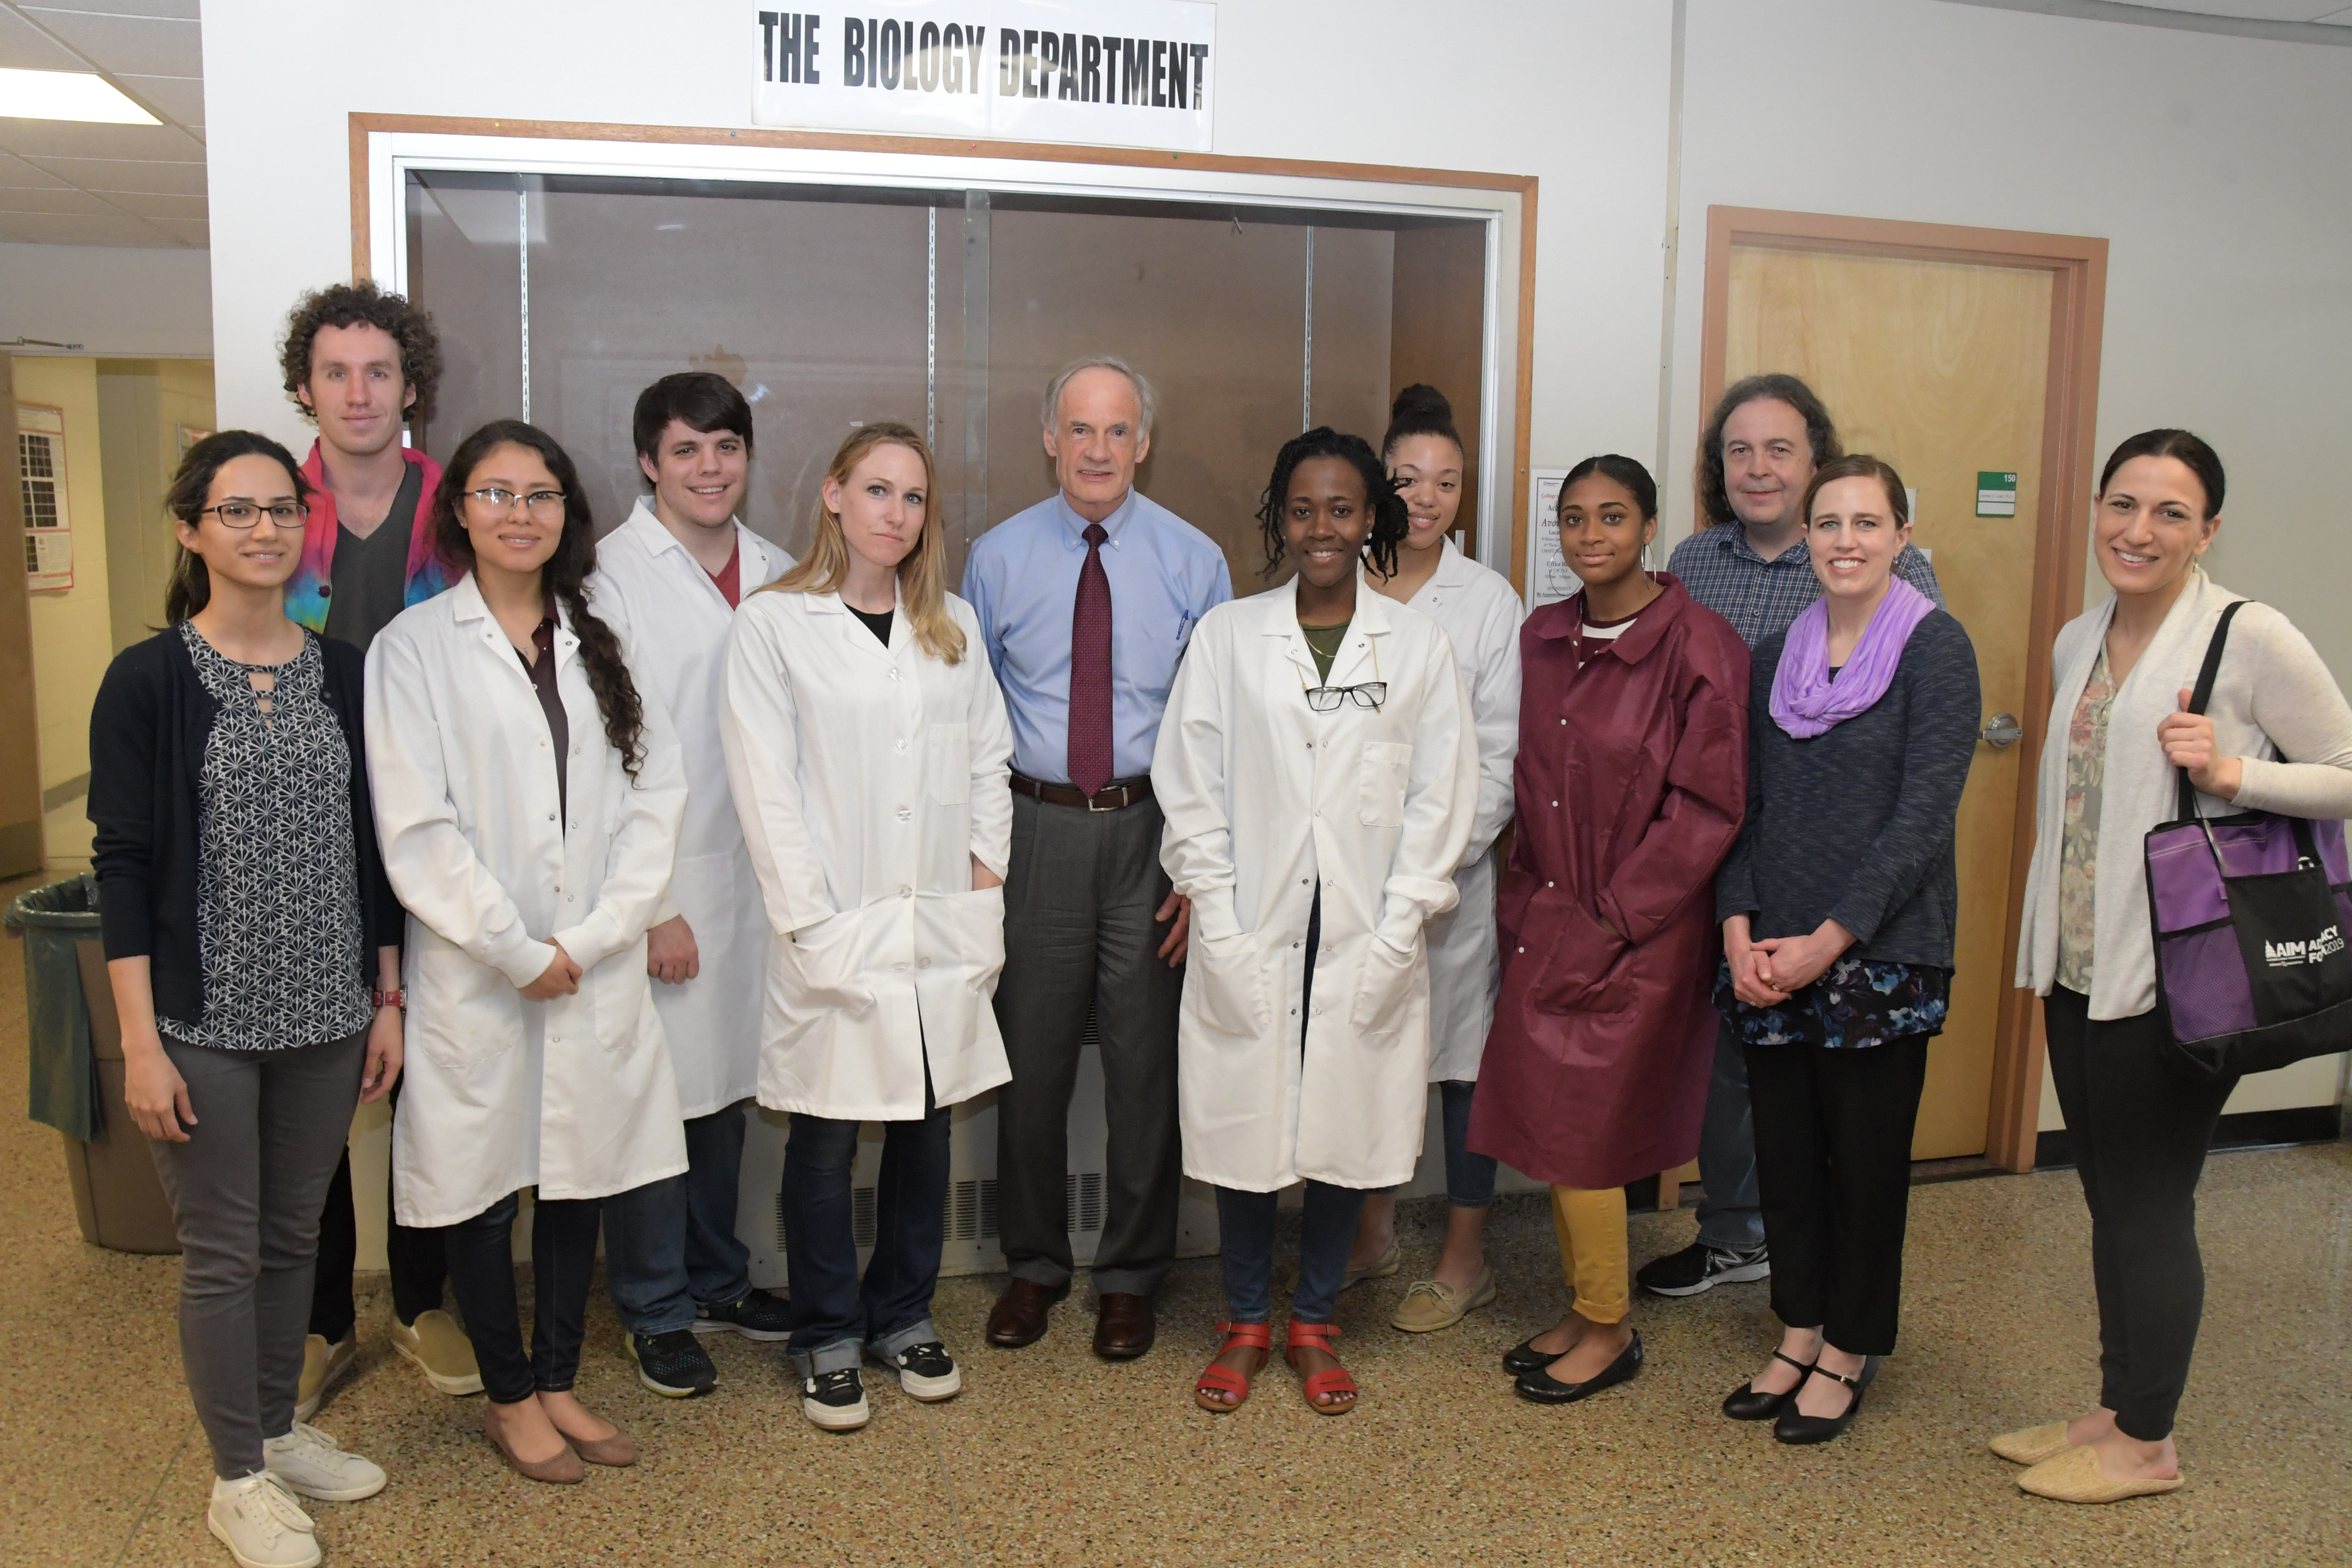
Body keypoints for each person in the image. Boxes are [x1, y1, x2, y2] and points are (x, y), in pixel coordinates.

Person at [1998, 430, 2352, 1503]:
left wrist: (2237, 770)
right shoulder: (2078, 638)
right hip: (2075, 963)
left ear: (2207, 530)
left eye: (2168, 512)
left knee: (2150, 1202)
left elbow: (2346, 773)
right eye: (2122, 504)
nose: (2137, 531)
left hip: (2175, 977)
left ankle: (2149, 1442)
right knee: (2111, 1197)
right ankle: (2116, 1408)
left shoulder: (2249, 636)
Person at [90, 430, 397, 1568]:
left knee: (290, 1237)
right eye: (237, 512)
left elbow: (376, 849)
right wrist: (141, 1043)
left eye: (281, 510)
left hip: (327, 1014)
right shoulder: (151, 678)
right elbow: (124, 863)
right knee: (222, 1250)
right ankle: (235, 1481)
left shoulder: (345, 670)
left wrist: (387, 995)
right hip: (200, 1022)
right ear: (191, 530)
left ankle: (274, 1427)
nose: (264, 530)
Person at [366, 420, 689, 1483]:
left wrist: (591, 941)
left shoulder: (604, 638)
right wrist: (517, 950)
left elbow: (657, 802)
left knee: (576, 1176)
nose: (519, 513)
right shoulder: (412, 650)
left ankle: (557, 1379)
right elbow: (418, 830)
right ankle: (510, 1397)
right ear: (457, 508)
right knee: (479, 1186)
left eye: (540, 494)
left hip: (589, 965)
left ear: (566, 514)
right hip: (481, 973)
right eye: (496, 494)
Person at [1157, 427, 1478, 1415]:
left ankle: (1316, 1321)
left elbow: (1442, 795)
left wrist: (1399, 921)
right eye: (1304, 509)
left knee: (1346, 1118)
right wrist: (1215, 907)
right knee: (1250, 1120)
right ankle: (1248, 1318)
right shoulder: (1228, 637)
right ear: (1279, 520)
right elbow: (1191, 782)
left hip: (1365, 929)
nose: (1323, 528)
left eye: (1343, 509)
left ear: (1372, 516)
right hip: (1251, 920)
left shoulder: (1416, 644)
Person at [721, 421, 1015, 1432]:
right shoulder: (774, 625)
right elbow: (767, 791)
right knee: (825, 1136)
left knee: (926, 1130)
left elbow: (989, 766)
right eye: (878, 491)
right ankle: (825, 1331)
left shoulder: (954, 627)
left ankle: (903, 1314)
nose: (897, 513)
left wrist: (981, 894)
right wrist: (814, 926)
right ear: (835, 495)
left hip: (938, 924)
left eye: (915, 497)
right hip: (833, 926)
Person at [1646, 373, 1946, 1301]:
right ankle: (1741, 1236)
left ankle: (1827, 1283)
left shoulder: (1912, 593)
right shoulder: (1695, 564)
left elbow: (1922, 766)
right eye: (1739, 450)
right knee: (1736, 1063)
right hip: (1733, 855)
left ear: (1817, 465)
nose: (1758, 468)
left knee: (1843, 1100)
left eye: (1780, 449)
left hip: (1858, 886)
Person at [961, 356, 1232, 1360]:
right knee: (1027, 1063)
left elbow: (1214, 730)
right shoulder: (993, 559)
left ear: (1144, 443)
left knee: (1142, 1065)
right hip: (1035, 832)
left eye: (1118, 432)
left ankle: (1131, 1276)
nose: (1098, 451)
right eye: (1080, 430)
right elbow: (970, 716)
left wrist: (1202, 870)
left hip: (1151, 832)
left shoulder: (1194, 560)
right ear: (1049, 438)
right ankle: (1032, 1266)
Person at [1470, 456, 1749, 1405]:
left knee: (1585, 1133)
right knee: (1552, 1129)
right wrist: (1529, 906)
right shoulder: (1544, 636)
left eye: (1614, 518)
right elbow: (1520, 779)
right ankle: (1586, 1310)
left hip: (1641, 928)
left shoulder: (1699, 644)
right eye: (1576, 520)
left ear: (1650, 526)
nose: (1593, 537)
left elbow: (1707, 807)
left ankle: (1614, 1330)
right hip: (1548, 916)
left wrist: (1616, 917)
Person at [1712, 454, 1979, 1446]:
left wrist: (1830, 943)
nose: (1847, 541)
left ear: (1903, 536)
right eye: (1829, 523)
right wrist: (1738, 932)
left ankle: (1851, 1347)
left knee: (1862, 1165)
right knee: (1784, 1162)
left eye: (1869, 523)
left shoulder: (1936, 649)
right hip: (1772, 959)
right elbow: (1745, 806)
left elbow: (1921, 819)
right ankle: (1799, 1329)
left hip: (1880, 954)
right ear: (1809, 538)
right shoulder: (1775, 649)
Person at [275, 279, 473, 1412]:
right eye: (336, 372)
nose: (359, 392)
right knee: (311, 1073)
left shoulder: (460, 507)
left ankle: (423, 1296)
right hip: (300, 832)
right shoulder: (262, 500)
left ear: (411, 387)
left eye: (380, 372)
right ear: (307, 386)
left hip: (433, 822)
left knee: (428, 1069)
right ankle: (316, 1316)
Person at [586, 372, 797, 1400]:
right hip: (668, 883)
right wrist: (654, 899)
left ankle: (717, 1279)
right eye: (685, 452)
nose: (709, 469)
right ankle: (655, 1305)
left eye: (726, 447)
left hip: (760, 885)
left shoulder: (782, 569)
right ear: (647, 463)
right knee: (659, 1101)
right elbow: (611, 747)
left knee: (726, 1100)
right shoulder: (611, 576)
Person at [1345, 385, 1523, 1332]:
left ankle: (1464, 1256)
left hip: (1448, 881)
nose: (1424, 496)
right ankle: (1372, 1230)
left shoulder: (1488, 601)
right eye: (1406, 478)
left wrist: (1433, 865)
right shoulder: (1341, 581)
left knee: (1460, 1064)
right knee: (1368, 1049)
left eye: (1445, 482)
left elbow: (1498, 757)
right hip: (1344, 875)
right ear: (1378, 483)